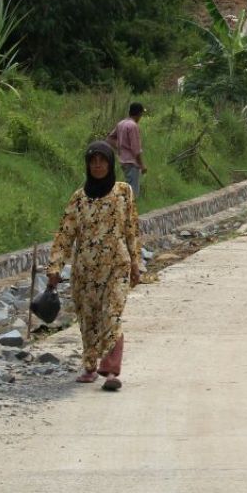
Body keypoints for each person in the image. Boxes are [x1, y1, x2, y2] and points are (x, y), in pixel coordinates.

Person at [47, 142, 140, 391]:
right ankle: (90, 366)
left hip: (116, 267)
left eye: (102, 160)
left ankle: (110, 371)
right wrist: (55, 267)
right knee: (88, 319)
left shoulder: (123, 192)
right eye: (93, 161)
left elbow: (131, 229)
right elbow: (65, 235)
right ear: (88, 165)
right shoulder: (79, 199)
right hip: (85, 271)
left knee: (111, 315)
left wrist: (135, 263)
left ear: (110, 164)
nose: (98, 165)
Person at [107, 102, 147, 198]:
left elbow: (110, 138)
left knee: (127, 189)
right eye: (141, 114)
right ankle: (129, 211)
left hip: (123, 161)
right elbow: (136, 150)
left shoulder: (121, 123)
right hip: (132, 163)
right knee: (132, 193)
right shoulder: (133, 126)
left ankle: (125, 209)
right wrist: (142, 165)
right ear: (139, 114)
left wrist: (120, 148)